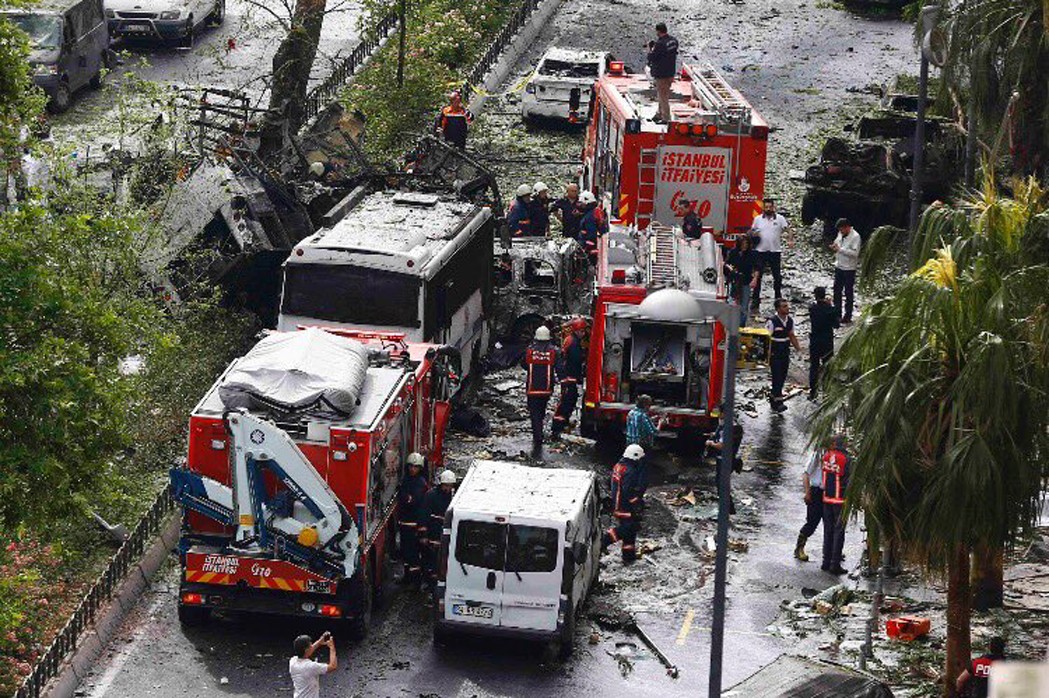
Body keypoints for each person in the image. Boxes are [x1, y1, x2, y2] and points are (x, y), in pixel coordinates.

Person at [601, 444, 646, 562]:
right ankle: (604, 541)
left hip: (617, 503)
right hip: (624, 506)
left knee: (630, 533)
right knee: (628, 528)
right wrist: (637, 503)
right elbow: (628, 491)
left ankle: (628, 556)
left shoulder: (619, 466)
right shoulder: (630, 471)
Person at [750, 198, 791, 313]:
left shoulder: (780, 219)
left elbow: (788, 229)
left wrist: (790, 240)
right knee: (758, 276)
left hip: (774, 251)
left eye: (770, 207)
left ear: (773, 207)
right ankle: (755, 299)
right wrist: (754, 234)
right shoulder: (757, 219)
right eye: (766, 207)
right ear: (763, 208)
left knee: (777, 276)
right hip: (760, 251)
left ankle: (778, 298)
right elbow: (752, 231)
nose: (768, 209)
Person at [522, 325, 558, 458]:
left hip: (532, 389)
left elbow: (524, 364)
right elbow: (559, 367)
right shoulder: (553, 352)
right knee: (541, 411)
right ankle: (539, 433)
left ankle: (537, 436)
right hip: (546, 390)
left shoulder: (530, 351)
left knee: (534, 413)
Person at [419, 469, 457, 589]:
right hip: (432, 533)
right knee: (430, 562)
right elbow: (423, 515)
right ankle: (429, 585)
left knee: (441, 564)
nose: (447, 488)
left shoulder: (454, 498)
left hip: (445, 536)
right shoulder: (431, 496)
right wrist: (423, 535)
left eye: (450, 486)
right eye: (446, 485)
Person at [552, 318, 586, 440]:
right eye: (582, 331)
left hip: (570, 377)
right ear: (577, 330)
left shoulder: (571, 340)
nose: (584, 333)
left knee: (570, 400)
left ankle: (562, 424)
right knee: (566, 402)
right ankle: (557, 428)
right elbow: (575, 360)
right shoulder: (573, 342)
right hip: (569, 377)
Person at [704, 410, 744, 515]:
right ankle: (728, 508)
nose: (719, 416)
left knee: (721, 484)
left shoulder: (727, 428)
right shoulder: (735, 426)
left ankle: (727, 509)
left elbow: (722, 445)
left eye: (720, 413)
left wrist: (711, 443)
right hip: (731, 458)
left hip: (724, 459)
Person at [396, 452, 428, 584]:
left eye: (415, 467)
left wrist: (406, 498)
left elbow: (412, 502)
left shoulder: (420, 483)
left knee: (413, 555)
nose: (412, 469)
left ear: (420, 468)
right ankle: (407, 578)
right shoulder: (406, 479)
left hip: (413, 525)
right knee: (405, 554)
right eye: (410, 466)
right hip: (404, 524)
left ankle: (415, 583)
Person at [820, 435, 849, 575]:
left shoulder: (826, 456)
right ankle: (835, 564)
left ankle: (826, 561)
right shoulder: (845, 459)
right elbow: (849, 478)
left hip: (826, 498)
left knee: (828, 530)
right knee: (839, 532)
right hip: (840, 501)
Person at [766, 298, 800, 412]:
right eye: (784, 306)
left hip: (785, 351)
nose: (787, 308)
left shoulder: (790, 321)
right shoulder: (772, 321)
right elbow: (767, 339)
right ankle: (778, 402)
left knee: (783, 375)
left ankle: (773, 396)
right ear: (778, 309)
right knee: (777, 376)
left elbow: (791, 335)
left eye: (787, 306)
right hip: (775, 352)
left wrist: (798, 349)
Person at [808, 286, 840, 400]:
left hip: (815, 339)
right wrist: (830, 305)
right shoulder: (831, 309)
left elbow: (814, 306)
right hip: (827, 340)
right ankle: (826, 391)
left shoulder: (812, 308)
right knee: (827, 365)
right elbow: (836, 325)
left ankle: (813, 391)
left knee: (814, 366)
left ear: (815, 295)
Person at [794, 446, 824, 561]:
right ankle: (799, 548)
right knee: (812, 522)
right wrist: (807, 492)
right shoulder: (817, 455)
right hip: (816, 491)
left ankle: (832, 550)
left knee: (831, 524)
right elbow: (806, 474)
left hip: (829, 492)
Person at [646, 22, 679, 123]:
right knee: (662, 94)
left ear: (658, 31)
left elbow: (652, 57)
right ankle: (659, 114)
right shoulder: (674, 41)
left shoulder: (660, 44)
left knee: (663, 96)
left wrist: (650, 48)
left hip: (661, 74)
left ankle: (666, 118)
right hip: (670, 72)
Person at [830, 218, 862, 323]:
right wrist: (834, 246)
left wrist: (840, 250)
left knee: (848, 292)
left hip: (849, 268)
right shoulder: (840, 234)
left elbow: (855, 254)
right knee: (837, 291)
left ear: (847, 227)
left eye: (842, 230)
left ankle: (848, 315)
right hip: (839, 266)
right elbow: (837, 241)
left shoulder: (855, 237)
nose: (841, 232)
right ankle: (837, 313)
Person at [724, 234, 760, 326]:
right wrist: (731, 270)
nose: (744, 246)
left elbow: (757, 268)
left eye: (746, 244)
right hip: (734, 280)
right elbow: (727, 263)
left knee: (744, 304)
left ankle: (741, 324)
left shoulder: (752, 254)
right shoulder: (733, 252)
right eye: (743, 244)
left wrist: (755, 279)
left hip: (746, 280)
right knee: (732, 302)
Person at [289, 632, 337, 698]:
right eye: (310, 645)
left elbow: (308, 651)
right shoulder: (311, 666)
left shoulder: (293, 661)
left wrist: (319, 641)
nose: (312, 646)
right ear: (306, 650)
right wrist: (332, 648)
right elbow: (332, 666)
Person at [578, 190, 607, 264]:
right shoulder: (591, 213)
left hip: (589, 249)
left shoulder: (590, 216)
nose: (580, 205)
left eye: (581, 203)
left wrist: (586, 249)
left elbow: (591, 234)